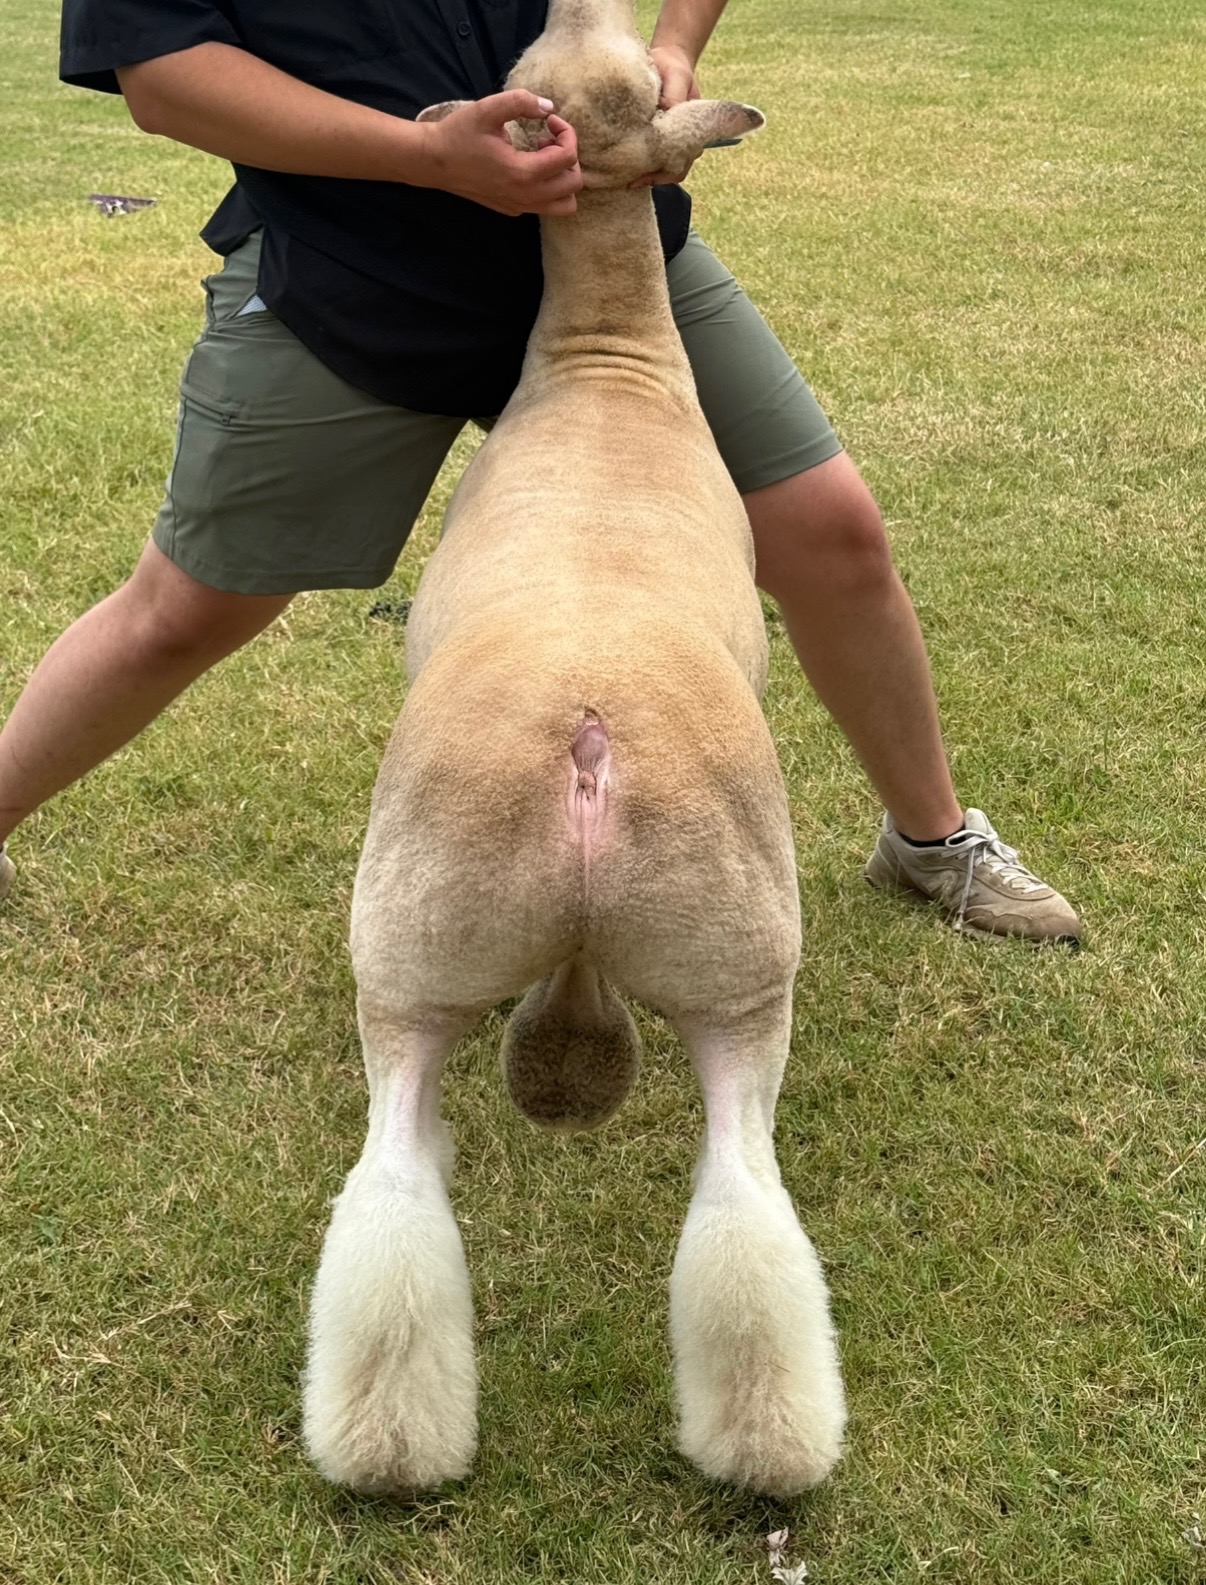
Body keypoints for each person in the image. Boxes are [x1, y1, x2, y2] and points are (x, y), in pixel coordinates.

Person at [0, 0, 1080, 944]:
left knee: (830, 534)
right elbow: (164, 75)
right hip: (352, 279)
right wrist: (428, 156)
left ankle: (931, 842)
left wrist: (673, 49)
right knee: (186, 609)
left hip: (613, 256)